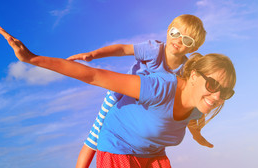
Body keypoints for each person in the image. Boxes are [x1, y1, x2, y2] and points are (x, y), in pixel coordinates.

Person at [0, 25, 236, 168]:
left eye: (226, 91)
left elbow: (194, 123)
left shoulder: (197, 106)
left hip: (152, 156)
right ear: (193, 75)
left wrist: (200, 137)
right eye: (213, 84)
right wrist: (32, 59)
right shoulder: (159, 86)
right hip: (119, 150)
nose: (217, 96)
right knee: (93, 137)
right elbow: (93, 76)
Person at [66, 14, 209, 168]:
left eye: (187, 40)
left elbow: (190, 106)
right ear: (168, 30)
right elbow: (122, 49)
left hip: (147, 109)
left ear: (194, 48)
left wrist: (197, 134)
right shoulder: (154, 50)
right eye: (176, 33)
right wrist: (94, 55)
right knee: (95, 134)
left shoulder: (185, 71)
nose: (179, 40)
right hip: (121, 93)